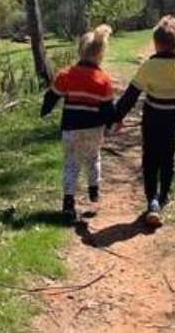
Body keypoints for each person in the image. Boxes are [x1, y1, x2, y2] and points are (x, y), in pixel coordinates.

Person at [112, 16, 175, 227]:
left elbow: (131, 95)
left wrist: (116, 117)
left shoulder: (149, 66)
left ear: (156, 43)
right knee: (167, 157)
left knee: (150, 158)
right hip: (173, 118)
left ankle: (152, 201)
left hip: (152, 117)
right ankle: (163, 196)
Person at [41, 24, 116, 223]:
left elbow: (52, 96)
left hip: (71, 128)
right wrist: (111, 123)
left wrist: (45, 110)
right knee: (93, 157)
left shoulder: (66, 75)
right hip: (94, 128)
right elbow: (108, 109)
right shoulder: (104, 80)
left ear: (80, 51)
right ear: (101, 54)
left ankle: (68, 202)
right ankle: (94, 189)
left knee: (71, 163)